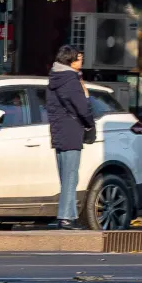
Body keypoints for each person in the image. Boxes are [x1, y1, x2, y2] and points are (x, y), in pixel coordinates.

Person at [43, 45, 95, 230]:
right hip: (72, 131)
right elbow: (82, 107)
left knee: (66, 176)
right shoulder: (71, 80)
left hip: (58, 130)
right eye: (79, 58)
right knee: (71, 175)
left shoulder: (54, 78)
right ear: (70, 60)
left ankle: (67, 215)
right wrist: (89, 122)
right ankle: (66, 217)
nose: (82, 62)